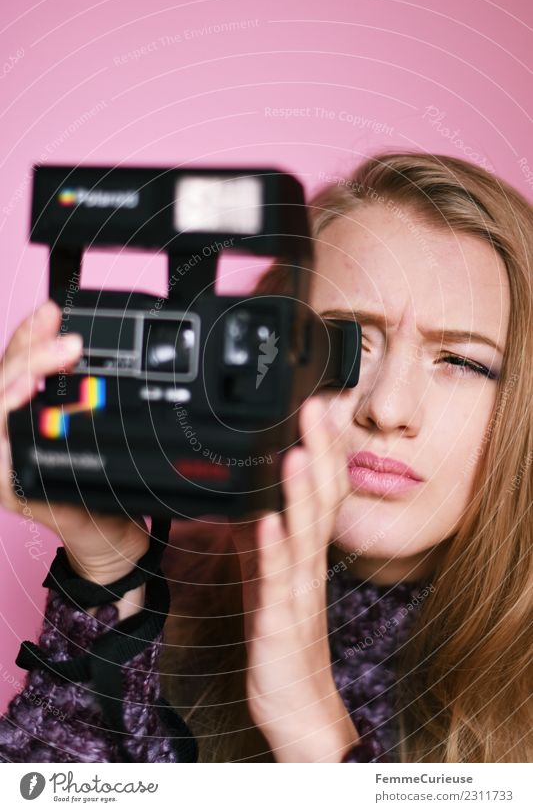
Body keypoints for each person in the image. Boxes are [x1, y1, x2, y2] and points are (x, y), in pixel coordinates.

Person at [0, 151, 531, 763]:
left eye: (462, 362)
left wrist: (313, 730)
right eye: (341, 342)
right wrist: (108, 570)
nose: (387, 409)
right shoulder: (176, 585)